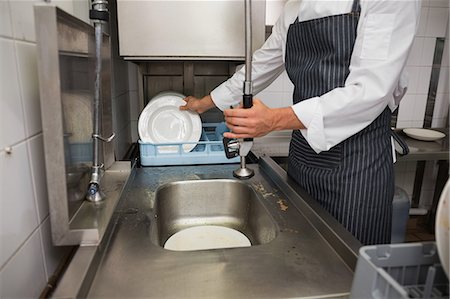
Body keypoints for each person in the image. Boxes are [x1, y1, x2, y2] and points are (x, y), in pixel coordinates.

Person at [180, 0, 420, 245]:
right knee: (305, 256)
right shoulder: (296, 7)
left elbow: (369, 91)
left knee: (350, 264)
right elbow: (260, 64)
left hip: (357, 167)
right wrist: (205, 103)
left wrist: (275, 120)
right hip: (302, 159)